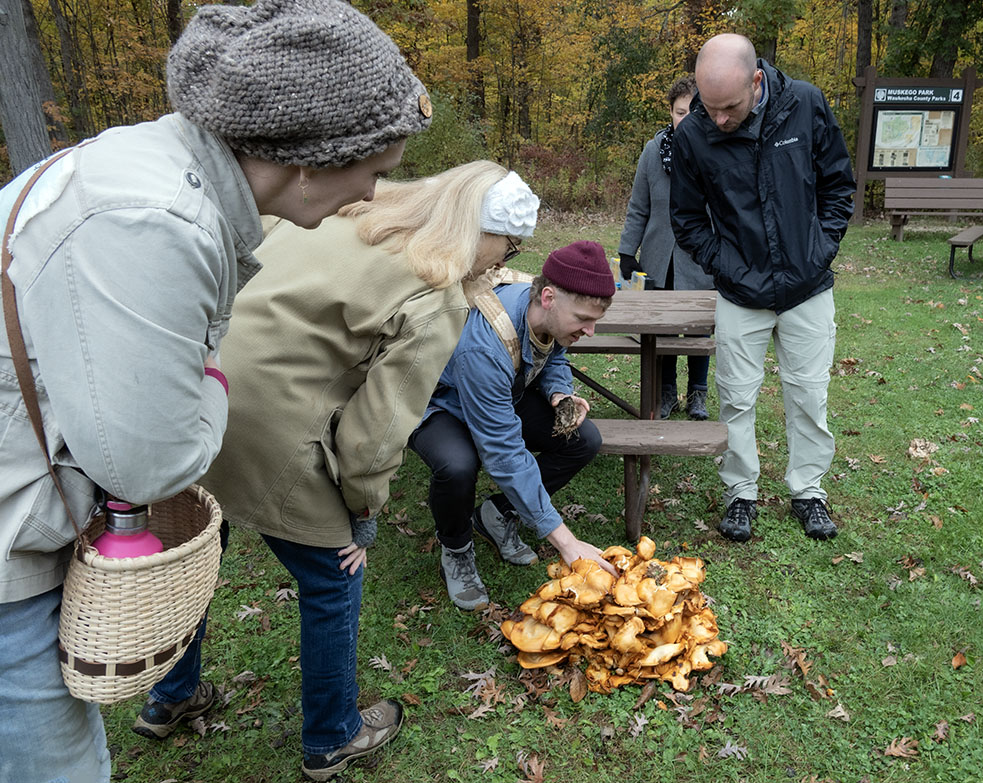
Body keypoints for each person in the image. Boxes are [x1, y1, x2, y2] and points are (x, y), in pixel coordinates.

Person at [0, 1, 432, 780]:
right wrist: (214, 382)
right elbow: (153, 467)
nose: (370, 194)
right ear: (309, 158)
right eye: (373, 170)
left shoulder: (150, 169)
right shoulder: (157, 222)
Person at [138, 162, 540, 780]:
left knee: (195, 558)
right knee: (333, 581)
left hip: (200, 397)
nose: (504, 260)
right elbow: (375, 434)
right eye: (510, 246)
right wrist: (362, 509)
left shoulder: (340, 216)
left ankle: (170, 696)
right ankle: (331, 736)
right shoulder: (436, 294)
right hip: (274, 430)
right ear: (479, 233)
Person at [669, 33, 855, 543]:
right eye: (709, 108)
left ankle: (809, 490)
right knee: (736, 399)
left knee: (809, 395)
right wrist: (726, 267)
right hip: (740, 291)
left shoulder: (806, 104)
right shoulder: (693, 135)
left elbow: (839, 184)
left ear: (757, 81)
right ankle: (740, 492)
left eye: (728, 107)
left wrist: (820, 249)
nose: (719, 120)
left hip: (808, 286)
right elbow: (686, 220)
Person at [409, 240, 619, 611]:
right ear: (550, 297)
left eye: (594, 321)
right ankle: (456, 549)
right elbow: (503, 453)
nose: (590, 331)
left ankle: (497, 513)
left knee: (582, 439)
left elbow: (552, 352)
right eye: (583, 320)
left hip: (499, 395)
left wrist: (558, 394)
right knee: (458, 464)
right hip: (441, 403)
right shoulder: (486, 346)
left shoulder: (543, 311)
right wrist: (567, 544)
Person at [618, 75, 715, 421]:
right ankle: (667, 391)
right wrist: (628, 252)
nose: (685, 118)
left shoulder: (717, 152)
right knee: (662, 328)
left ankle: (699, 394)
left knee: (700, 326)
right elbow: (638, 207)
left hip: (701, 260)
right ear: (670, 113)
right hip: (659, 257)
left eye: (693, 111)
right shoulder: (652, 151)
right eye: (679, 112)